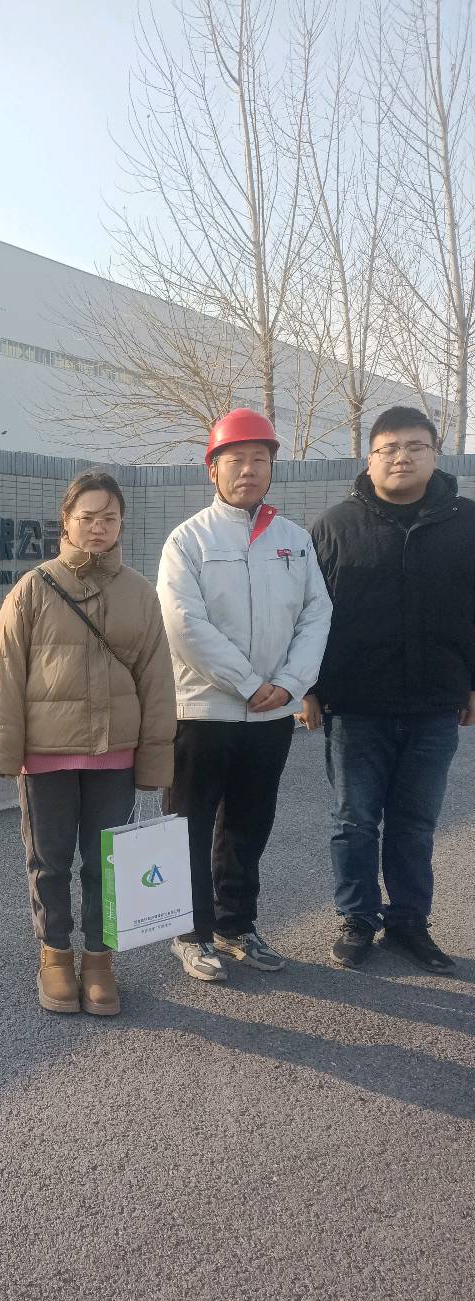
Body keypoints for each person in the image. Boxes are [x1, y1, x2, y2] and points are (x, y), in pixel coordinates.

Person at [0, 469, 176, 1016]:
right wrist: (5, 751)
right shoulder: (34, 588)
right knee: (49, 862)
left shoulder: (139, 593)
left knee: (106, 864)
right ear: (65, 521)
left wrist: (155, 759)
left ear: (121, 524)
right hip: (45, 756)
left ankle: (99, 960)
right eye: (87, 517)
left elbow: (157, 680)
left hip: (114, 755)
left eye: (109, 518)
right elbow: (6, 671)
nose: (98, 527)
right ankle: (54, 955)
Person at [157, 409, 332, 983]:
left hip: (271, 715)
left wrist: (290, 684)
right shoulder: (189, 539)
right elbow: (183, 623)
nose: (249, 470)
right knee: (188, 825)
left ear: (272, 468)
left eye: (260, 459)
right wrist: (250, 683)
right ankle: (190, 933)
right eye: (235, 459)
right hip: (203, 711)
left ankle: (236, 925)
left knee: (248, 826)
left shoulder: (294, 541)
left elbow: (317, 613)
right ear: (212, 469)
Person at [300, 405, 475, 972]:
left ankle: (408, 924)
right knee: (354, 821)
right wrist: (308, 687)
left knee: (415, 823)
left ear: (435, 455)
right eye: (390, 448)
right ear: (370, 458)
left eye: (416, 446)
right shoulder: (334, 527)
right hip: (355, 704)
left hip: (434, 703)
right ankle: (357, 919)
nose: (402, 457)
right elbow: (307, 614)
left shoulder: (467, 523)